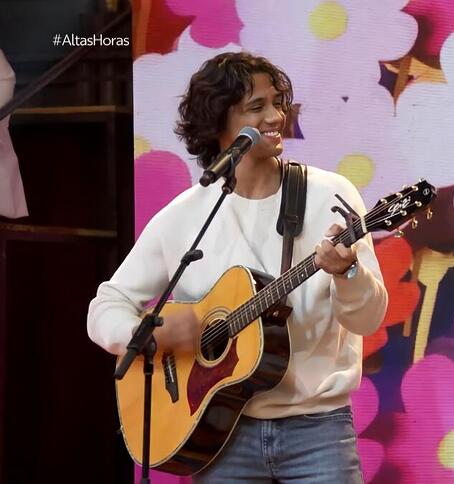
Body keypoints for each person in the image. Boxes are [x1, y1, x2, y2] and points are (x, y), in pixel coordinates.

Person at [87, 52, 388, 483]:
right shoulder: (185, 217)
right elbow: (106, 305)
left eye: (278, 103)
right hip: (219, 433)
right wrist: (151, 335)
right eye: (257, 107)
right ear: (219, 123)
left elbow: (369, 317)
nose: (276, 116)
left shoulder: (330, 197)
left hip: (318, 429)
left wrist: (348, 274)